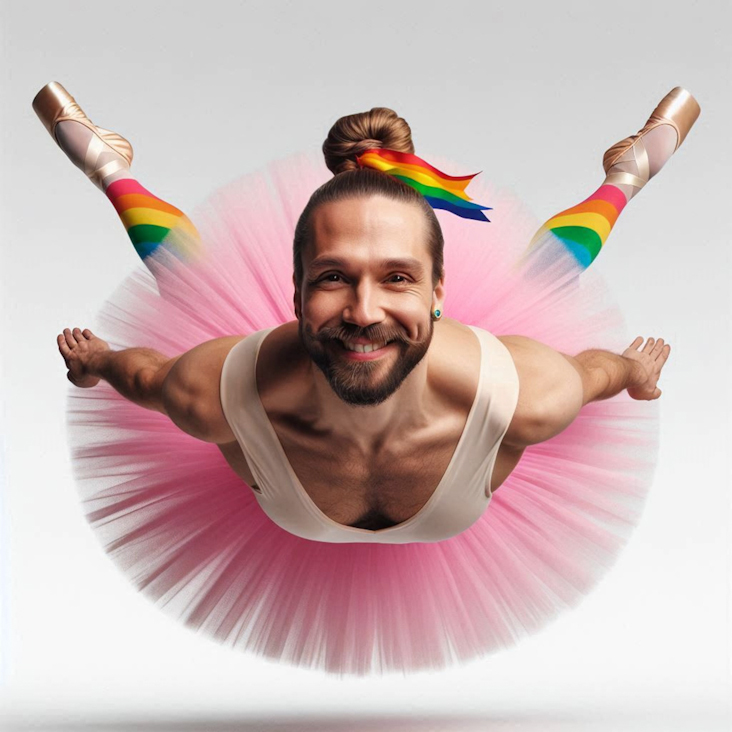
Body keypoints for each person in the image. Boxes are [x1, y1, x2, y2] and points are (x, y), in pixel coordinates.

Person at [34, 83, 699, 672]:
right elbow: (145, 373)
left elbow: (594, 370)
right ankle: (108, 167)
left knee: (545, 276)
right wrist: (100, 365)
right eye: (332, 278)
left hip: (456, 397)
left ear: (440, 291)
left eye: (397, 279)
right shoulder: (210, 393)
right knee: (189, 280)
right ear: (293, 292)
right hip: (290, 399)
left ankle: (628, 172)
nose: (363, 312)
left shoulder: (529, 394)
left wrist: (631, 371)